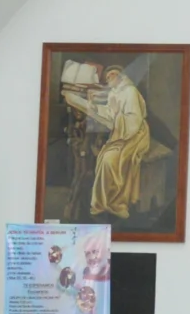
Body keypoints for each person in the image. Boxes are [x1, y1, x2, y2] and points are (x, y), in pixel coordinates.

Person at [61, 63, 155, 220]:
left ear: (121, 76)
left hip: (135, 136)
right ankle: (101, 204)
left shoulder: (130, 91)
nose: (110, 78)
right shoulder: (113, 93)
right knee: (105, 159)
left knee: (112, 160)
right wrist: (95, 108)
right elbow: (111, 115)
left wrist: (116, 117)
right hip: (121, 134)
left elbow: (134, 121)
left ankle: (117, 203)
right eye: (108, 77)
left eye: (113, 75)